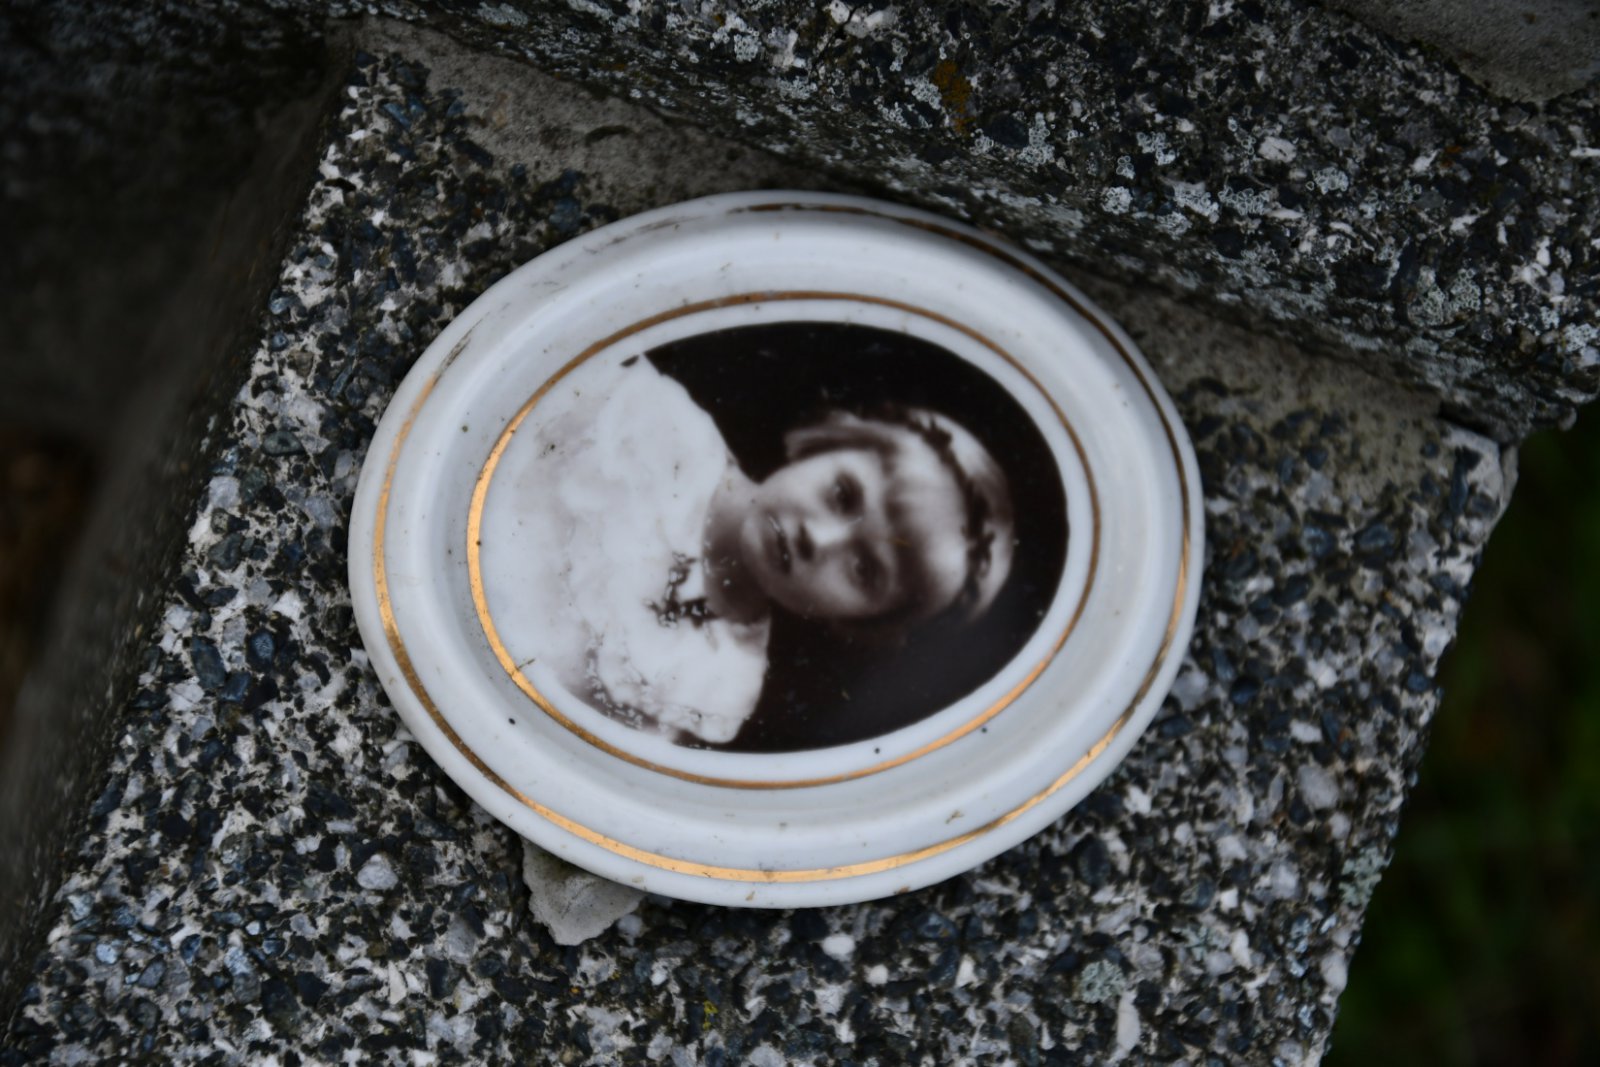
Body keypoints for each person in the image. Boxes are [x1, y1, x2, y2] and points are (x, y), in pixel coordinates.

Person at [496, 354, 1015, 747]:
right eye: (842, 494)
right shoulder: (651, 432)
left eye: (863, 569)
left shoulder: (719, 680)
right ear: (827, 442)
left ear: (859, 621)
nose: (820, 538)